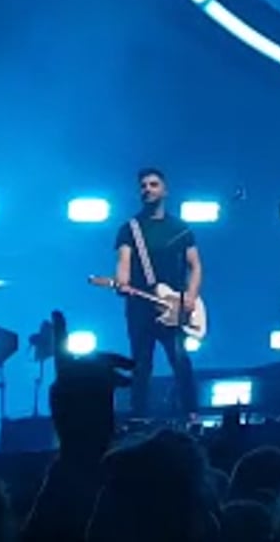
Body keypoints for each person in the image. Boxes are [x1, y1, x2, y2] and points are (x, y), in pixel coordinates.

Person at [114, 167, 202, 420]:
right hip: (140, 309)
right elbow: (123, 262)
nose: (147, 189)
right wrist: (122, 282)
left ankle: (192, 414)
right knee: (141, 364)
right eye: (143, 185)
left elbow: (195, 265)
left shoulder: (180, 228)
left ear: (165, 190)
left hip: (174, 307)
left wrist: (190, 297)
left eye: (153, 184)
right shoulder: (130, 229)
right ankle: (138, 418)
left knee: (181, 361)